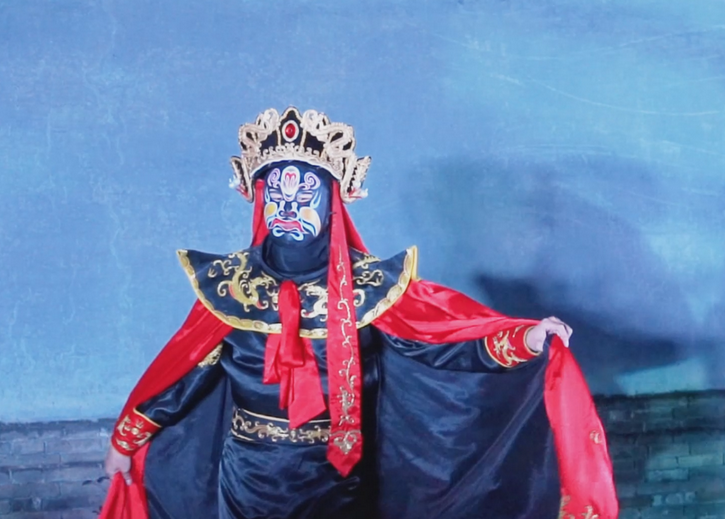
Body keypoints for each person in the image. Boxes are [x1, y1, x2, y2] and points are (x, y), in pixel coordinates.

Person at [98, 107, 618, 519]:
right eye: (276, 194)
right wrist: (127, 439)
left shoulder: (371, 288)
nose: (289, 208)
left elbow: (442, 340)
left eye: (305, 194)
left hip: (336, 471)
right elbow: (184, 371)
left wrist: (527, 339)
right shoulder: (230, 287)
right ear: (258, 201)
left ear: (332, 202)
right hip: (250, 472)